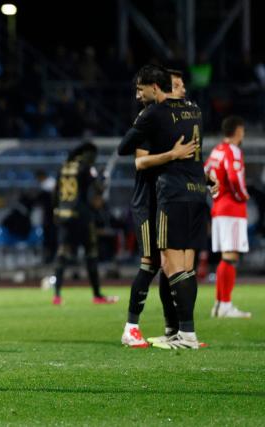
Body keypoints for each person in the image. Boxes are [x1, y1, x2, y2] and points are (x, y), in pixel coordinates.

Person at [118, 64, 213, 349]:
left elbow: (189, 156)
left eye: (140, 89)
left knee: (170, 264)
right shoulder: (164, 115)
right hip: (150, 200)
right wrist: (174, 156)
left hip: (168, 196)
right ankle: (134, 328)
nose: (182, 89)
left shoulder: (161, 115)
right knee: (155, 264)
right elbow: (139, 161)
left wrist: (201, 174)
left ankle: (178, 331)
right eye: (178, 84)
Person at [51, 141, 118, 305]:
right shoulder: (85, 167)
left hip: (63, 214)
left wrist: (55, 210)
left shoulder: (64, 166)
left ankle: (57, 296)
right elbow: (98, 189)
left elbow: (55, 192)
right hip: (81, 215)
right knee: (91, 252)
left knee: (62, 253)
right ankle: (97, 295)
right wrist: (103, 178)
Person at [205, 116, 252, 318]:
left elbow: (205, 171)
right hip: (232, 208)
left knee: (226, 256)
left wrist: (214, 193)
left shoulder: (217, 150)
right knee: (230, 256)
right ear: (238, 131)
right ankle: (225, 305)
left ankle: (219, 304)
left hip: (218, 207)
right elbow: (234, 178)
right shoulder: (233, 151)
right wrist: (243, 195)